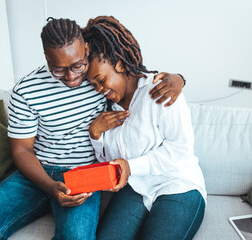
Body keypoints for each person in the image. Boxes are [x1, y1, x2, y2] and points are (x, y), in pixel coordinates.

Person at [0, 18, 185, 240]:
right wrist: (50, 186)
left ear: (86, 48)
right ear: (46, 57)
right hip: (37, 172)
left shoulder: (98, 76)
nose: (71, 77)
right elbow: (21, 150)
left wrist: (179, 79)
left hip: (84, 174)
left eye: (78, 66)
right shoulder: (26, 90)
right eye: (58, 69)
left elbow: (134, 75)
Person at [84, 16, 207, 240]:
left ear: (119, 63)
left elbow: (180, 151)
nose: (99, 89)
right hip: (136, 188)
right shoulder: (105, 109)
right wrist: (96, 135)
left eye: (101, 79)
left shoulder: (161, 90)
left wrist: (130, 166)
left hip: (178, 184)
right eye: (93, 84)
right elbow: (110, 165)